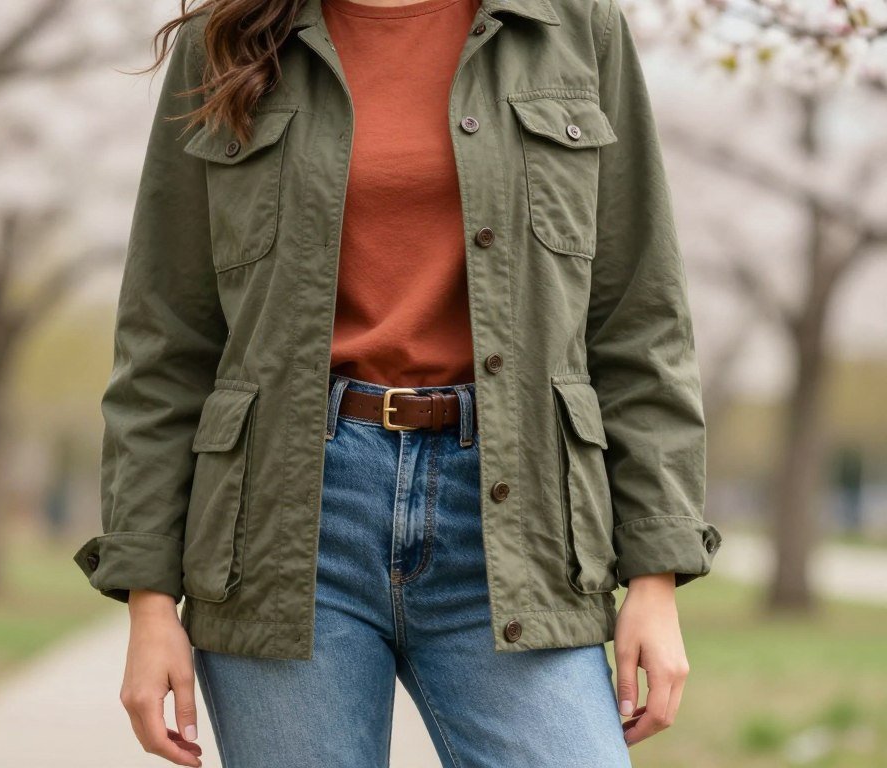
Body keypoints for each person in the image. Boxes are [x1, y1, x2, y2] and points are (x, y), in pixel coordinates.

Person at [72, 0, 724, 764]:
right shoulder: (228, 36)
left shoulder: (574, 29)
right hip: (286, 531)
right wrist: (149, 604)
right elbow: (167, 339)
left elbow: (639, 321)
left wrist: (655, 577)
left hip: (520, 521)